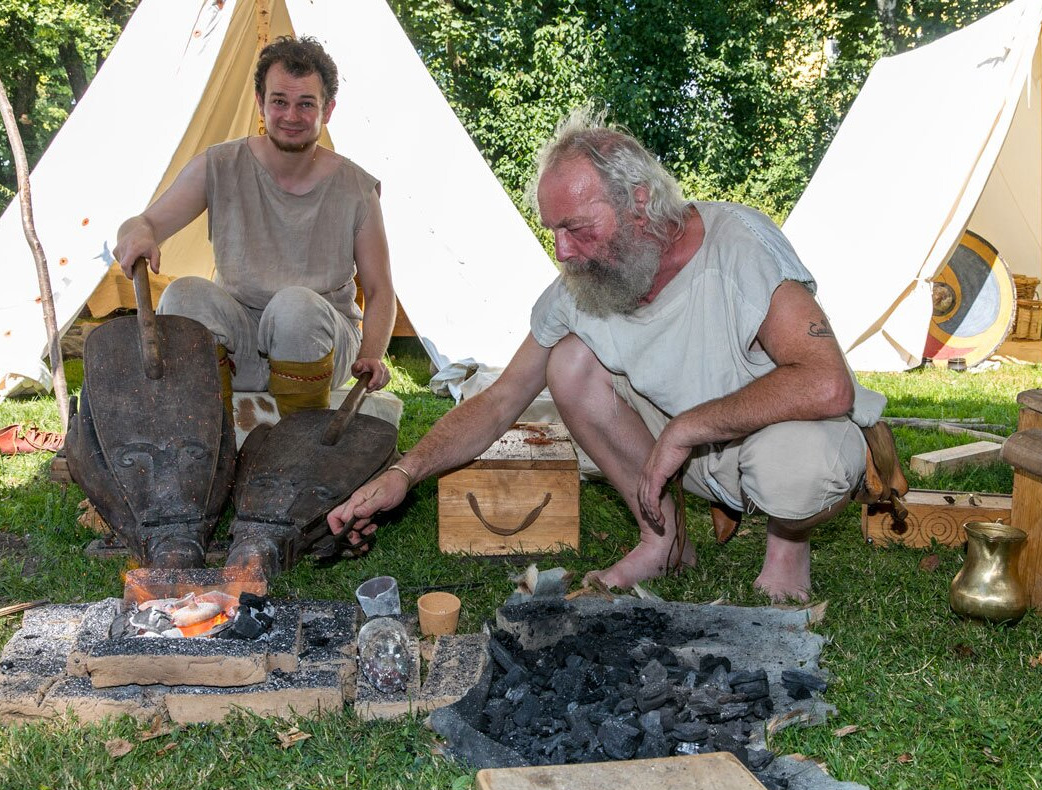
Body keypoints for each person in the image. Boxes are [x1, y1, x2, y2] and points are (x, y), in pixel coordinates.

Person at [328, 109, 900, 602]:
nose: (562, 251)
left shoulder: (739, 244)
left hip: (776, 442)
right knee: (568, 362)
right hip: (679, 461)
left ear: (640, 202)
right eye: (553, 231)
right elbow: (500, 401)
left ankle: (786, 553)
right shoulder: (583, 288)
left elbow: (828, 384)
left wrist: (686, 428)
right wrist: (404, 473)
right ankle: (664, 542)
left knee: (798, 471)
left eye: (577, 228)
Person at [113, 36, 395, 418]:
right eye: (279, 101)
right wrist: (136, 233)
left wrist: (371, 356)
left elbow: (380, 290)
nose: (291, 116)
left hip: (320, 339)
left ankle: (299, 441)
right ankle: (208, 435)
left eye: (305, 104)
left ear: (327, 110)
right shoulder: (219, 165)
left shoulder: (357, 188)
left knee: (294, 306)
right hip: (241, 338)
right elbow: (145, 222)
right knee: (182, 295)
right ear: (260, 103)